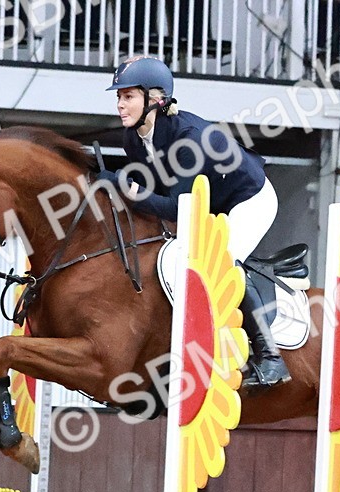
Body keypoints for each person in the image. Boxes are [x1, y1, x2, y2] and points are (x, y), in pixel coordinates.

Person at [101, 55, 290, 394]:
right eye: (119, 97)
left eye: (128, 96)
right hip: (209, 202)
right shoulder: (132, 138)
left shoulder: (187, 138)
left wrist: (128, 191)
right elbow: (157, 193)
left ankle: (270, 357)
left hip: (249, 199)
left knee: (222, 263)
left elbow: (178, 209)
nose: (120, 104)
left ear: (156, 99)